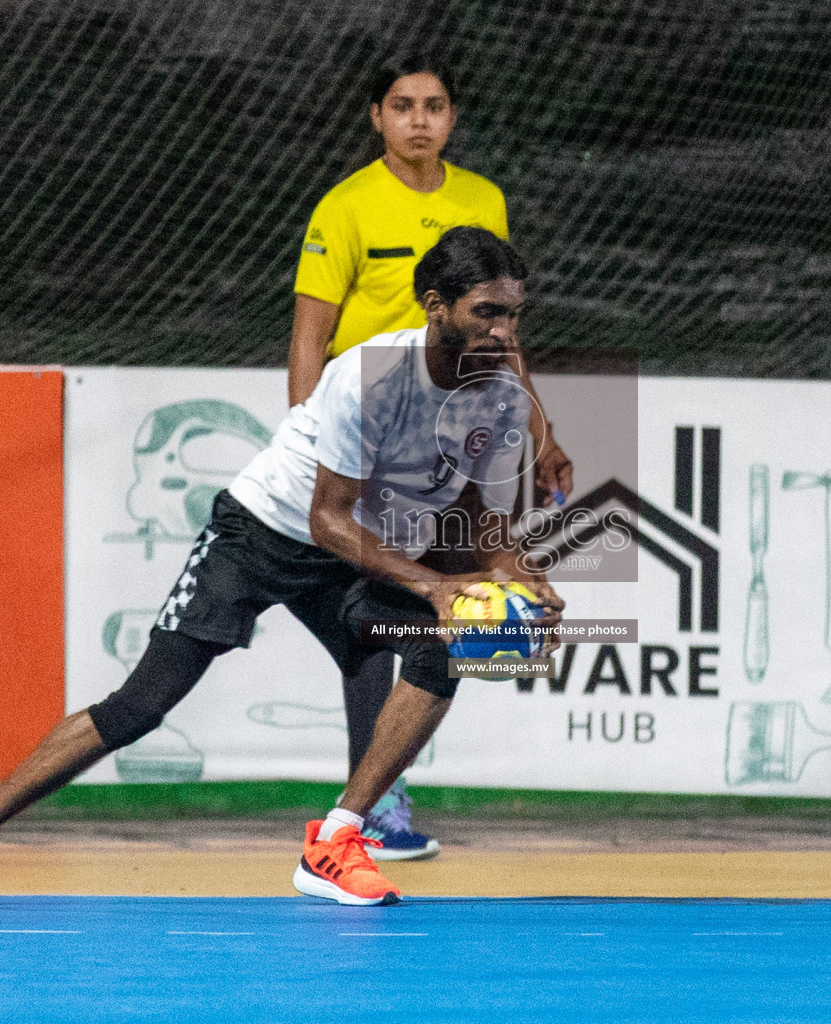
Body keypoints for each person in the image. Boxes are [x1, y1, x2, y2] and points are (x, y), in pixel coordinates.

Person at [0, 227, 564, 907]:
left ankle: (334, 841)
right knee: (141, 706)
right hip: (260, 536)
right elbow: (325, 517)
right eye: (487, 312)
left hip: (351, 553)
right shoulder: (371, 378)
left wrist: (514, 577)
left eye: (512, 314)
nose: (504, 331)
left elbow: (476, 515)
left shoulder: (501, 396)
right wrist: (436, 585)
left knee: (440, 648)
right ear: (434, 305)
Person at [289, 50, 573, 860]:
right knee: (384, 607)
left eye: (435, 105)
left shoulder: (483, 198)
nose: (420, 119)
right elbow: (311, 329)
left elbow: (495, 317)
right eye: (403, 105)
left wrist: (540, 428)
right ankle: (371, 806)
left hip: (447, 427)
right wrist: (310, 432)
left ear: (452, 117)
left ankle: (369, 800)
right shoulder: (345, 206)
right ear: (376, 117)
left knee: (431, 603)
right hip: (368, 433)